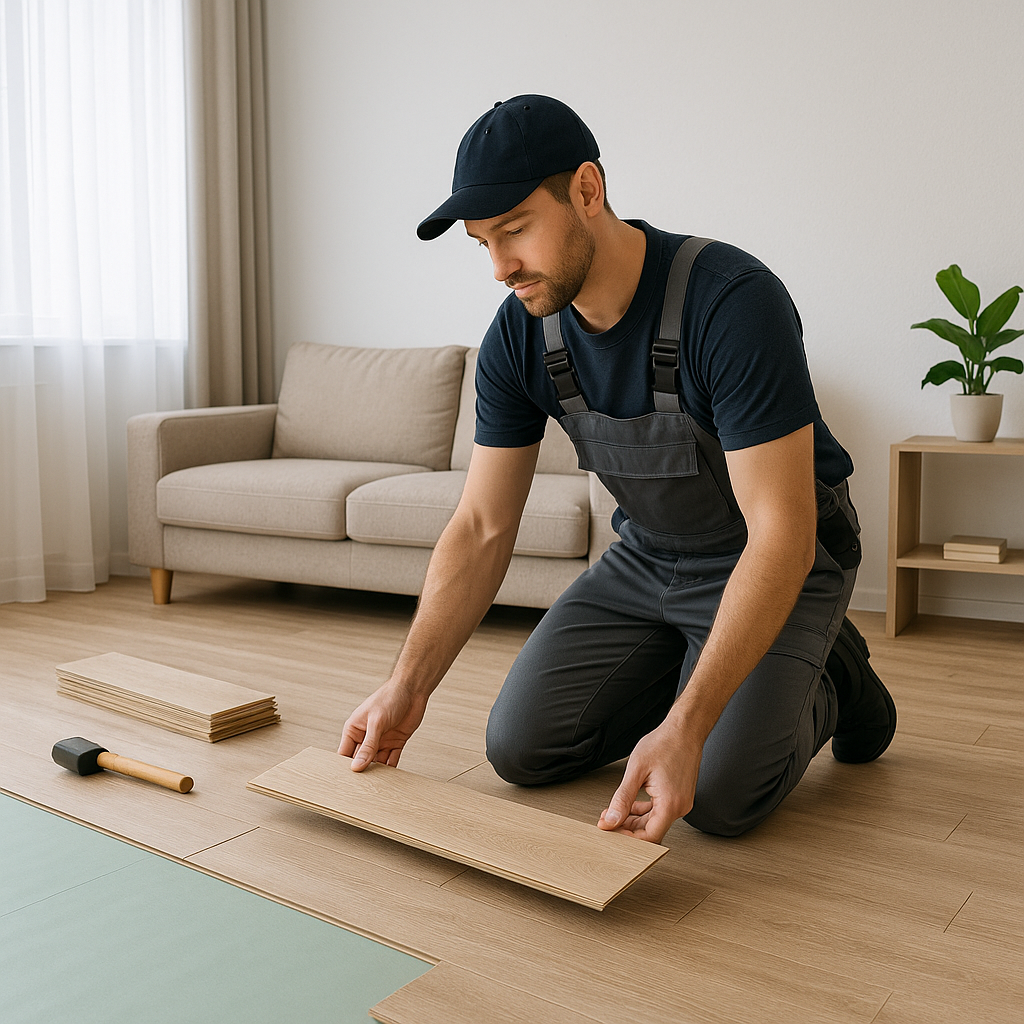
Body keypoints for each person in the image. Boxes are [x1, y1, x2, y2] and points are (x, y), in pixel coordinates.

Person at [338, 94, 897, 844]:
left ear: (587, 192)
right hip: (648, 558)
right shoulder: (521, 337)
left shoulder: (730, 301)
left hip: (776, 556)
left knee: (722, 796)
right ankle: (707, 670)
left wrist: (690, 728)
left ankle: (836, 672)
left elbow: (782, 533)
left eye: (515, 230)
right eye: (482, 244)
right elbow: (481, 525)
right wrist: (406, 687)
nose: (501, 267)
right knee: (520, 750)